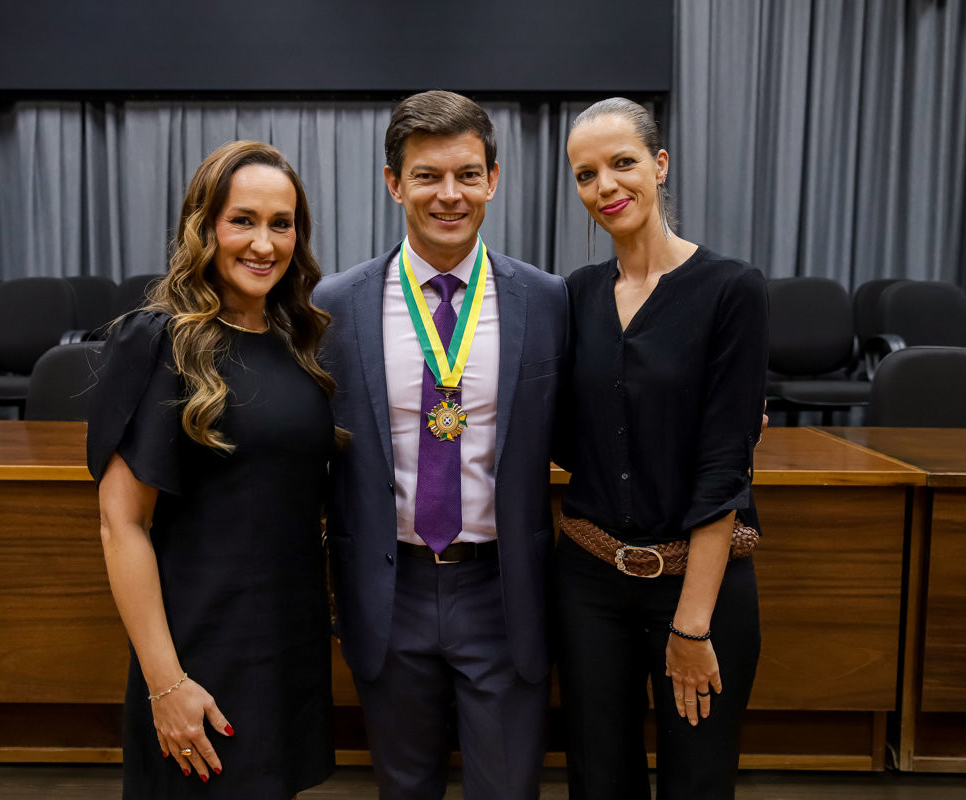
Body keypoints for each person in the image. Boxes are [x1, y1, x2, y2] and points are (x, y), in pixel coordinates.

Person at [313, 90, 568, 799]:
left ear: (493, 178)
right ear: (394, 183)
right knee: (404, 788)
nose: (447, 195)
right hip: (387, 592)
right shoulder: (334, 306)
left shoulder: (547, 302)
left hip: (502, 590)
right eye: (427, 175)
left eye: (465, 174)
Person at [88, 140, 339, 798]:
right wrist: (165, 684)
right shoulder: (157, 339)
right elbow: (123, 526)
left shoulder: (297, 341)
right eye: (242, 220)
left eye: (281, 223)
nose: (264, 243)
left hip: (285, 647)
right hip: (199, 655)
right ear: (204, 226)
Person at [553, 97, 769, 799]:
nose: (606, 188)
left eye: (623, 164)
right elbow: (562, 432)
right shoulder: (575, 295)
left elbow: (721, 470)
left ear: (660, 165)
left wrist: (692, 624)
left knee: (696, 784)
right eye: (587, 175)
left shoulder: (731, 289)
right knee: (598, 782)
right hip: (588, 583)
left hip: (697, 588)